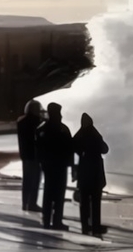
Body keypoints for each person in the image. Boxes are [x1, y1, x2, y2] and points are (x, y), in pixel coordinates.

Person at [35, 102, 73, 230]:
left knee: (48, 193)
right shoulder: (63, 129)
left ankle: (46, 220)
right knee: (58, 195)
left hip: (48, 166)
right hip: (59, 166)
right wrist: (71, 165)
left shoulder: (41, 129)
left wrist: (41, 162)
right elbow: (70, 149)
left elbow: (37, 149)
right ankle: (57, 221)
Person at [73, 112, 109, 237]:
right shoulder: (95, 134)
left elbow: (73, 147)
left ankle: (85, 225)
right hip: (96, 172)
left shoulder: (79, 135)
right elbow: (105, 149)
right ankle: (95, 226)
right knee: (95, 202)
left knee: (84, 202)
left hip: (84, 172)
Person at [15, 100, 44, 212]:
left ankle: (25, 202)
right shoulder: (35, 122)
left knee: (26, 180)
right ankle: (32, 203)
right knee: (35, 180)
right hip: (34, 155)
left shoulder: (21, 121)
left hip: (25, 155)